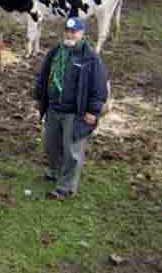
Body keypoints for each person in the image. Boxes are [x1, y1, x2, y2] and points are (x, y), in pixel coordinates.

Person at [33, 16, 109, 199]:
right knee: (51, 144)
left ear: (82, 33)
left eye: (74, 31)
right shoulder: (57, 51)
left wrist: (93, 111)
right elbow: (44, 75)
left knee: (72, 151)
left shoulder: (90, 57)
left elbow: (99, 86)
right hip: (53, 108)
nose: (70, 34)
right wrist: (39, 97)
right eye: (67, 30)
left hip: (75, 113)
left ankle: (65, 188)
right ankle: (56, 172)